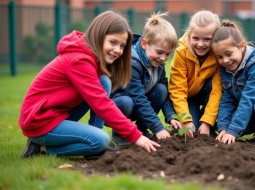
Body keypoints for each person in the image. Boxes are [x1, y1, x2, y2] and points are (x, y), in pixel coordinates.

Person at [19, 11, 160, 159]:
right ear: (98, 36)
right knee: (100, 140)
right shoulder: (79, 60)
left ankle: (95, 146)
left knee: (103, 81)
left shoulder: (90, 59)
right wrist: (135, 135)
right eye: (113, 42)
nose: (117, 50)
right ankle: (41, 149)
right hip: (40, 122)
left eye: (122, 45)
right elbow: (101, 103)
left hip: (55, 115)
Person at [103, 12, 183, 147]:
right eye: (159, 52)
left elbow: (164, 93)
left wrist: (170, 115)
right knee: (126, 101)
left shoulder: (158, 64)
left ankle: (140, 131)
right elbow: (137, 98)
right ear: (145, 44)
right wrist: (158, 127)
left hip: (136, 105)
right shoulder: (131, 63)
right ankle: (120, 134)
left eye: (168, 54)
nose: (163, 58)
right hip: (116, 107)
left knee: (161, 89)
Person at [168, 10, 222, 138]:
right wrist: (186, 120)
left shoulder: (219, 54)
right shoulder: (182, 52)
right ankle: (194, 123)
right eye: (196, 38)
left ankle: (209, 125)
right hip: (188, 96)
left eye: (207, 39)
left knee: (204, 127)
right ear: (189, 34)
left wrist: (207, 122)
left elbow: (217, 91)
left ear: (215, 38)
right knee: (193, 130)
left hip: (207, 92)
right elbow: (177, 89)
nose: (200, 44)